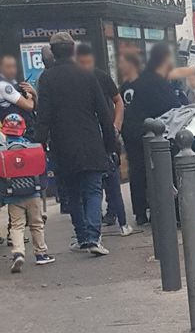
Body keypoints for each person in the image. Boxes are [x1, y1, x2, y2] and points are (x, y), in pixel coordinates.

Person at [35, 32, 116, 256]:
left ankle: (82, 237)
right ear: (73, 50)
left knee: (72, 194)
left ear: (52, 52)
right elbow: (104, 113)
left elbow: (44, 118)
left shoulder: (47, 79)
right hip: (91, 143)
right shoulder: (87, 76)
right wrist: (111, 145)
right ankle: (92, 237)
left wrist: (39, 146)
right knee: (92, 191)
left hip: (63, 146)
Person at [122, 43, 182, 226]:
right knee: (161, 171)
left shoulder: (132, 82)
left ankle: (140, 212)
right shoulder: (157, 82)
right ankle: (165, 210)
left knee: (138, 172)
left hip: (131, 131)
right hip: (149, 133)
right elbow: (174, 109)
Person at [75, 44, 133, 236]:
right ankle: (112, 223)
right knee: (102, 185)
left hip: (103, 135)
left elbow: (118, 100)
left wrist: (116, 125)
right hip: (94, 135)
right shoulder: (78, 79)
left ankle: (115, 222)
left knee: (107, 184)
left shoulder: (99, 76)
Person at [1, 114, 56, 272]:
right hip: (33, 193)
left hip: (12, 195)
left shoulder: (3, 151)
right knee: (36, 224)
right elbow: (42, 169)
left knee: (17, 226)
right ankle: (41, 254)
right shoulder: (33, 148)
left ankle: (18, 252)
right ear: (23, 128)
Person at [0, 55, 37, 247]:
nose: (12, 70)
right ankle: (15, 232)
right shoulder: (5, 86)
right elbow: (29, 106)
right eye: (8, 66)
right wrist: (32, 94)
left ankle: (12, 230)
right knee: (16, 188)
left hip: (6, 145)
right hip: (11, 145)